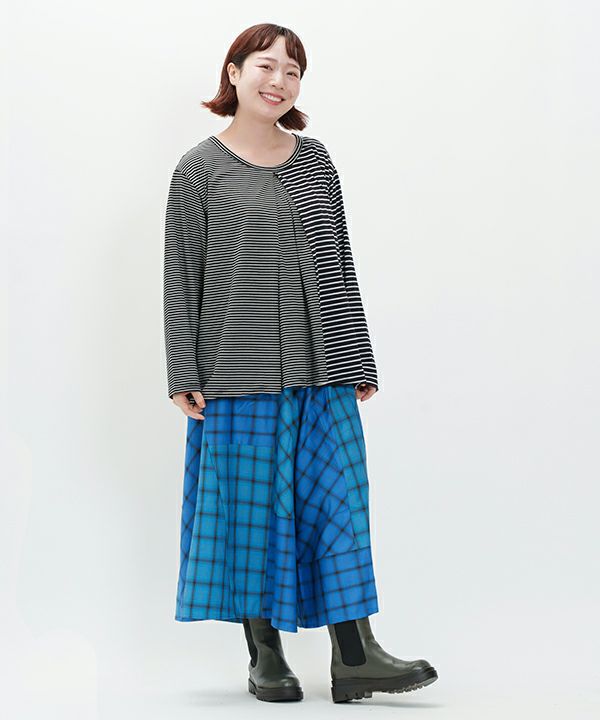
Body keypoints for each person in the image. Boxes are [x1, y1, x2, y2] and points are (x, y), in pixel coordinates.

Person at [163, 22, 438, 704]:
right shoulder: (198, 170)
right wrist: (182, 374)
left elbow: (338, 263)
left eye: (292, 71)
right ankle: (266, 657)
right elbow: (182, 276)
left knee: (339, 503)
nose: (278, 81)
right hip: (237, 373)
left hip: (323, 370)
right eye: (265, 65)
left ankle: (356, 657)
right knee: (250, 513)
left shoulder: (315, 161)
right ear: (233, 73)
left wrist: (358, 356)